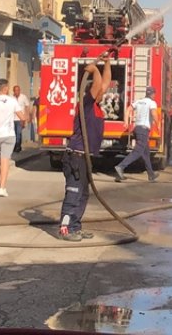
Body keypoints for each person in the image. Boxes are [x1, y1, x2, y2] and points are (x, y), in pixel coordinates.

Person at [57, 61, 107, 242]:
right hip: (75, 157)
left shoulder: (95, 107)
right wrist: (94, 70)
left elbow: (104, 84)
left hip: (84, 158)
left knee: (84, 194)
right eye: (99, 92)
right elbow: (98, 85)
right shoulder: (86, 103)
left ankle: (75, 226)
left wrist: (107, 63)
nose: (102, 92)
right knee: (74, 192)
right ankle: (65, 229)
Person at [114, 86, 160, 183]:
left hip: (137, 128)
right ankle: (120, 167)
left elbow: (128, 109)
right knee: (138, 151)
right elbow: (154, 113)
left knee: (146, 153)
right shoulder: (152, 103)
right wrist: (158, 124)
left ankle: (151, 174)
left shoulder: (139, 101)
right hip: (143, 130)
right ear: (152, 94)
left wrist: (126, 121)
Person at [12, 84, 31, 153]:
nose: (17, 92)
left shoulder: (23, 97)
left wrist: (27, 116)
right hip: (12, 118)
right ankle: (14, 146)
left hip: (20, 118)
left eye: (18, 90)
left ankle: (18, 146)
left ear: (19, 91)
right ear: (13, 91)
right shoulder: (11, 98)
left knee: (18, 133)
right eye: (15, 90)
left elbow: (27, 106)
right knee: (13, 133)